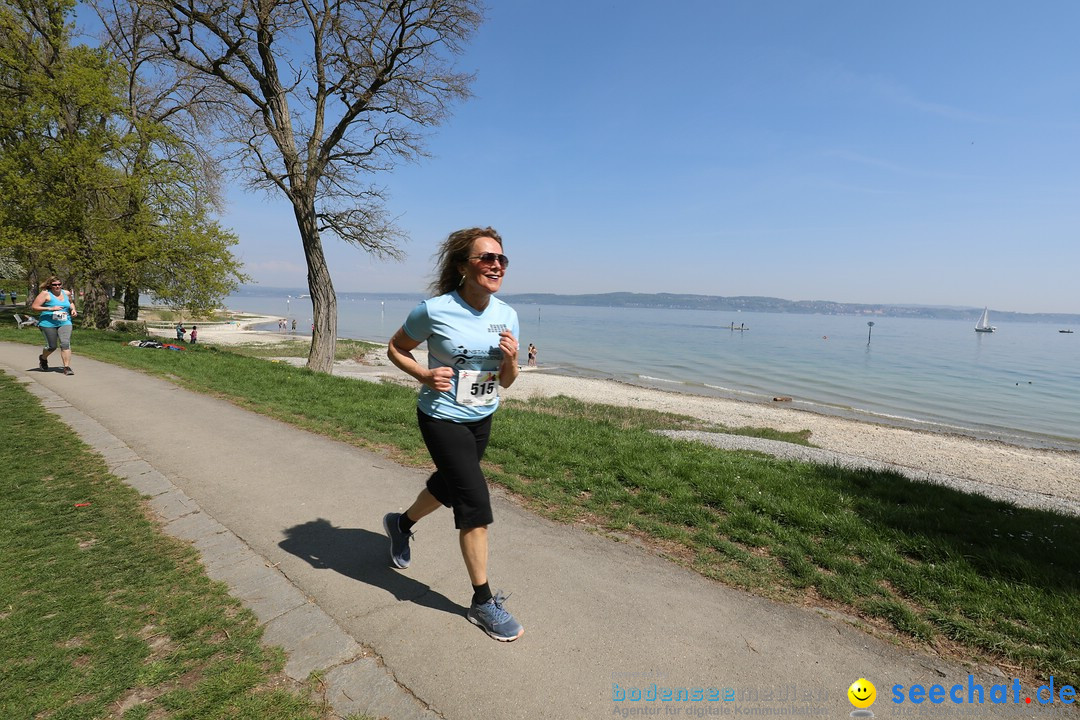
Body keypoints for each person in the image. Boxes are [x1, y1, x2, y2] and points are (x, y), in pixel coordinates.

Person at [384, 227, 523, 642]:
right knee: (474, 502)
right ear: (463, 266)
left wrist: (512, 361)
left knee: (449, 485)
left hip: (483, 415)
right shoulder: (435, 309)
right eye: (486, 258)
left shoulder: (507, 314)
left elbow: (508, 381)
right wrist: (424, 374)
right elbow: (396, 348)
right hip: (442, 417)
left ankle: (401, 523)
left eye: (501, 259)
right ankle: (482, 602)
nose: (496, 265)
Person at [32, 276, 78, 375]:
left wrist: (73, 310)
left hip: (65, 322)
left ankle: (67, 367)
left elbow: (71, 303)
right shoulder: (45, 294)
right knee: (52, 346)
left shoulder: (66, 293)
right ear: (50, 285)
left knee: (65, 343)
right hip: (48, 323)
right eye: (54, 285)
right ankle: (43, 358)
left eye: (59, 284)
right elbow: (34, 307)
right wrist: (51, 308)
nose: (57, 286)